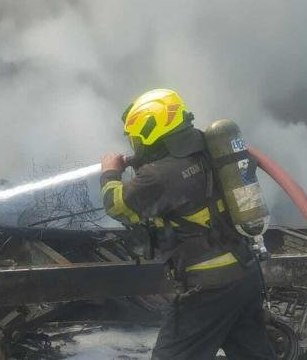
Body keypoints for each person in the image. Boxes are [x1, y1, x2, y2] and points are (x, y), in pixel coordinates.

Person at [100, 88, 276, 359]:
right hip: (245, 273)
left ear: (151, 128)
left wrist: (110, 171)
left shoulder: (159, 175)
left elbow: (118, 205)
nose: (134, 142)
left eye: (135, 135)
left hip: (207, 287)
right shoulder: (211, 147)